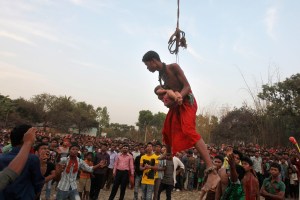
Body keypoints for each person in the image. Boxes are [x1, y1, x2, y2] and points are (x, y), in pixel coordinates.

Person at [142, 50, 220, 194]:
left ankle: (212, 171)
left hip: (187, 101)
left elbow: (187, 86)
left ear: (153, 61)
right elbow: (167, 93)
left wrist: (179, 96)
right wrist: (166, 94)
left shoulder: (173, 67)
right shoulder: (161, 76)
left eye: (148, 65)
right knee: (167, 128)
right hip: (177, 105)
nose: (148, 68)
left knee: (188, 131)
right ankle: (169, 153)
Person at [0, 125, 45, 199]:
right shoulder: (32, 159)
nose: (35, 139)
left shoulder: (1, 157)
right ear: (24, 139)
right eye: (33, 136)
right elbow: (38, 184)